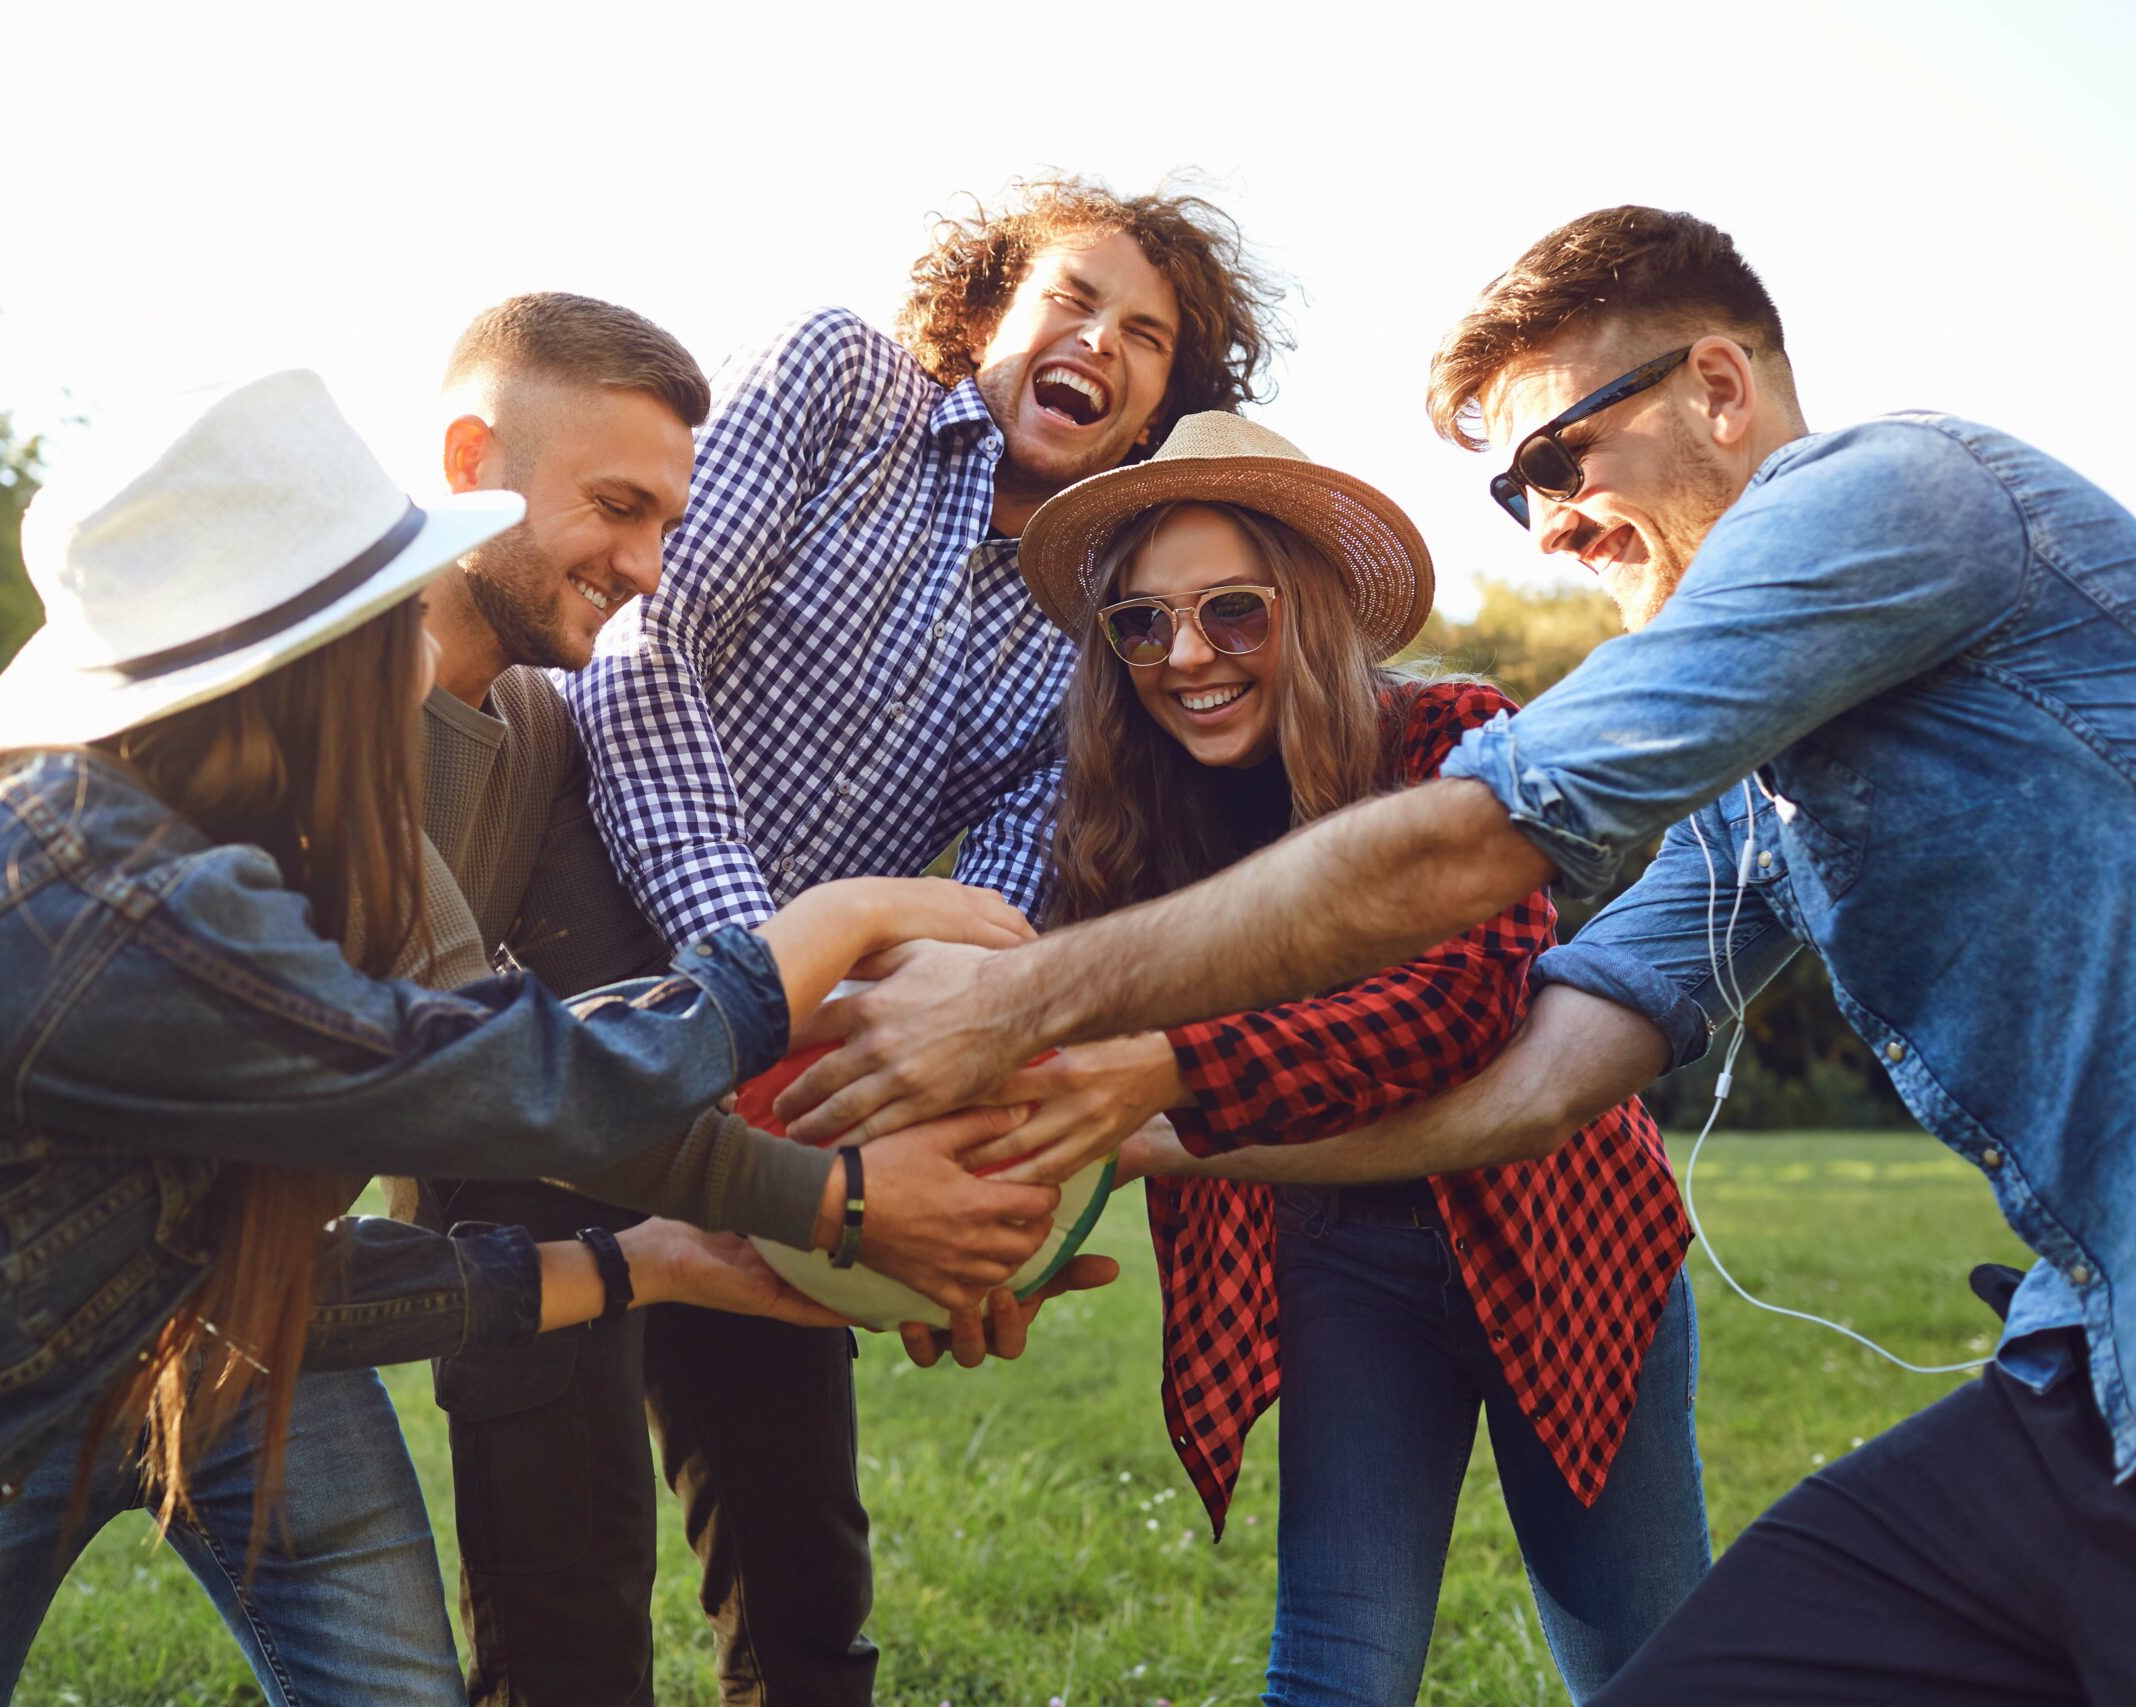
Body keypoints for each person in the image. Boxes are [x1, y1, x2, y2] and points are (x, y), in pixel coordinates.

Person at [785, 205, 2136, 1704]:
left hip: (1713, 1292)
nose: (1546, 524)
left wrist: (1042, 1009)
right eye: (1514, 491)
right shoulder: (1769, 794)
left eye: (1560, 458)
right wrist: (1078, 1169)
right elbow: (1554, 1067)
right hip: (2082, 1372)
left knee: (1636, 1638)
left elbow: (1468, 873)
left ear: (1718, 390)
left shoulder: (1897, 494)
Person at [0, 368, 1051, 1707]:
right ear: (320, 673)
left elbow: (238, 1280)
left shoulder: (94, 872)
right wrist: (834, 943)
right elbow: (513, 1078)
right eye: (391, 627)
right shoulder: (114, 915)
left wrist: (654, 1262)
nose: (418, 657)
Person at [419, 177, 1282, 1706]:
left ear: (1164, 398)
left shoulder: (1103, 618)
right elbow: (644, 637)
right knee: (559, 1481)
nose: (1102, 341)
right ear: (990, 313)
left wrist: (987, 1176)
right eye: (1072, 299)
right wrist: (754, 969)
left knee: (795, 1510)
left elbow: (1007, 915)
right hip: (584, 904)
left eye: (1148, 338)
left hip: (814, 1003)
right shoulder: (843, 386)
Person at [980, 411, 1705, 1703]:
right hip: (1331, 1254)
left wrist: (1174, 1072)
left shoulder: (1452, 741)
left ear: (1310, 612)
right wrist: (1003, 1241)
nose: (1184, 655)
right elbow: (1071, 1069)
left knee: (1644, 1658)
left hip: (1564, 1238)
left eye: (1233, 613)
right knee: (1333, 1667)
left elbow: (1455, 1006)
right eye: (1140, 624)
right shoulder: (1125, 829)